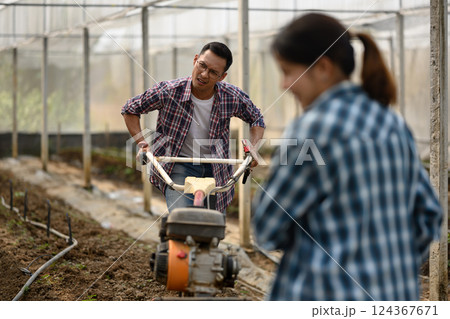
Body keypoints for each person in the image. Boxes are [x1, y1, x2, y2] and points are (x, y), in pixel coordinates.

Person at [252, 13, 442, 300]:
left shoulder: (313, 128)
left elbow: (268, 227)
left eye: (288, 71)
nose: (284, 85)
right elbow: (430, 213)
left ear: (323, 68)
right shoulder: (391, 123)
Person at [122, 42, 265, 213]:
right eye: (202, 65)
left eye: (213, 72)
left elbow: (256, 118)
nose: (204, 74)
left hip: (217, 167)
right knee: (183, 217)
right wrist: (142, 144)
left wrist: (254, 148)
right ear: (195, 60)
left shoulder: (231, 96)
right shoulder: (169, 91)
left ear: (222, 76)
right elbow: (130, 109)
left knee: (212, 227)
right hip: (179, 165)